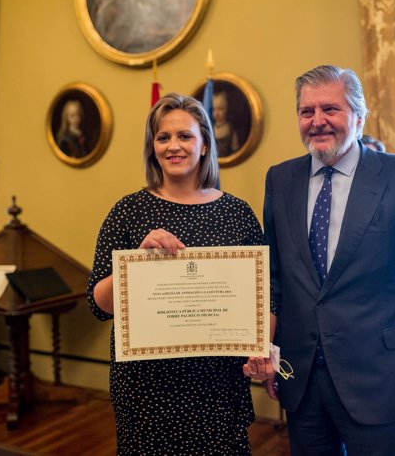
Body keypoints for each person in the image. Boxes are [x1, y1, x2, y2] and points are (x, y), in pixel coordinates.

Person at [244, 65, 395, 455]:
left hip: (377, 379)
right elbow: (273, 279)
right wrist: (267, 348)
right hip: (301, 379)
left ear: (358, 115)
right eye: (307, 112)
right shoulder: (280, 180)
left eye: (330, 110)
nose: (317, 121)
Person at [87, 93, 265, 455]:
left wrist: (262, 351)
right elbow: (98, 303)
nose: (174, 146)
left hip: (217, 385)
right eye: (163, 137)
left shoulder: (237, 213)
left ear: (203, 145)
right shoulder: (128, 212)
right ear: (152, 148)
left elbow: (264, 295)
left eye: (185, 136)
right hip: (146, 389)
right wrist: (134, 265)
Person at [212, 90, 240, 157]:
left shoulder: (231, 129)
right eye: (214, 109)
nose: (216, 113)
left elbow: (235, 149)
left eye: (220, 109)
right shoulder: (210, 128)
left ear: (227, 109)